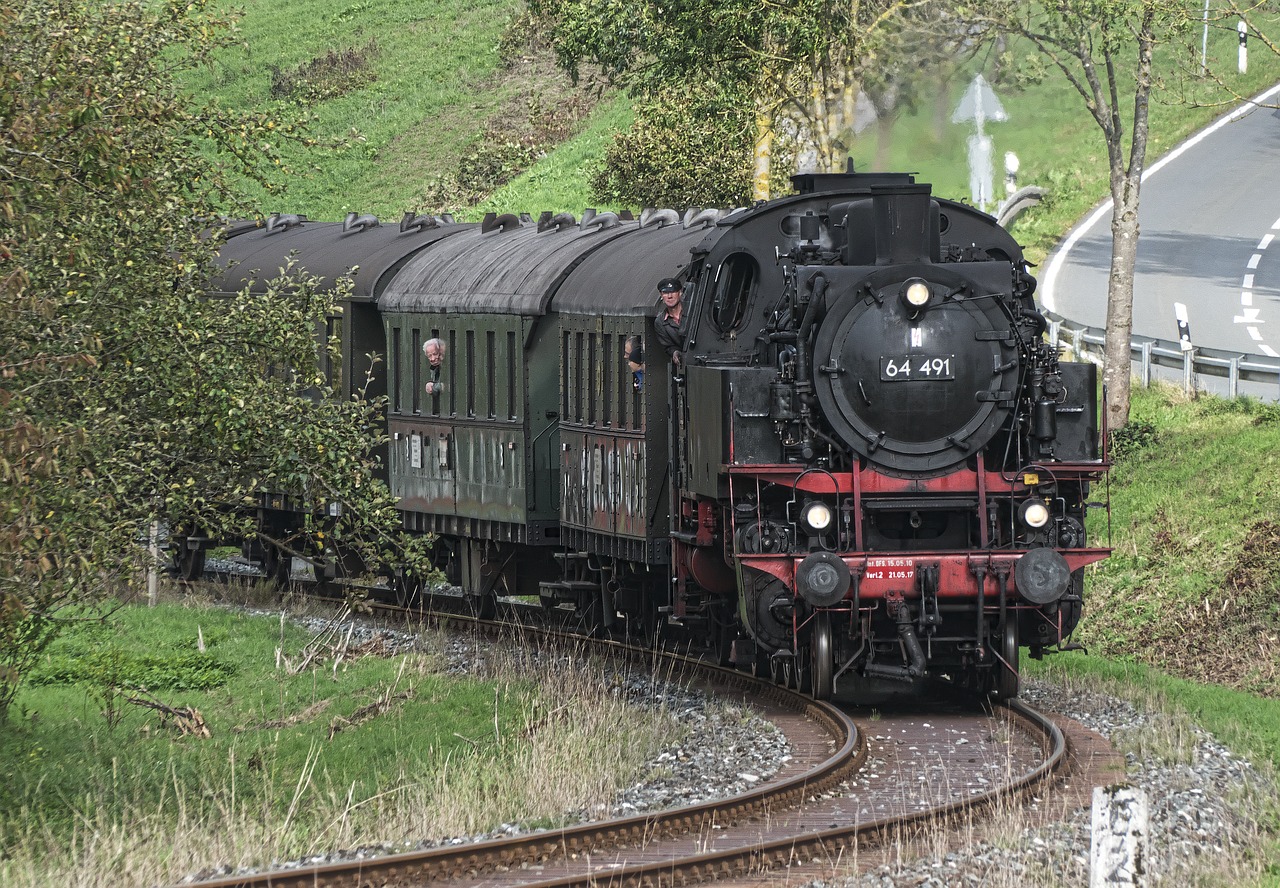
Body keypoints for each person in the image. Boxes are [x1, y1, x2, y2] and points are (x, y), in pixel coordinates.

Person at [653, 277, 686, 364]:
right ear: (661, 295)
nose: (669, 296)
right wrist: (675, 352)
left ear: (680, 292)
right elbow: (668, 346)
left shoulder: (693, 312)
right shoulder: (660, 322)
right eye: (666, 293)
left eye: (673, 292)